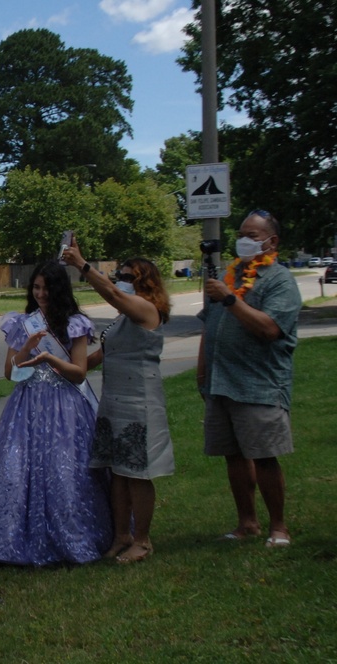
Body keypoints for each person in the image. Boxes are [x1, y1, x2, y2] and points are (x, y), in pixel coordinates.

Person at [0, 261, 111, 565]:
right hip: (26, 407)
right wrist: (26, 350)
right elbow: (11, 373)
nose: (40, 294)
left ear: (58, 289)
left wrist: (50, 358)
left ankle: (72, 535)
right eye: (36, 288)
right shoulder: (22, 323)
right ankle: (8, 540)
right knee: (16, 466)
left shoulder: (75, 323)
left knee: (65, 471)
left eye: (46, 288)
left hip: (65, 407)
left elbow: (78, 373)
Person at [63, 242, 174, 563]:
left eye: (127, 275)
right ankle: (122, 534)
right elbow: (100, 356)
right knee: (118, 472)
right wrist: (68, 368)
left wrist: (81, 264)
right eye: (119, 274)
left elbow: (112, 294)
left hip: (139, 402)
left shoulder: (146, 311)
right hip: (114, 403)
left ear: (145, 283)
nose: (120, 278)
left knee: (137, 472)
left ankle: (143, 540)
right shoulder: (123, 320)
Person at [198, 210, 300, 547]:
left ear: (272, 241)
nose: (244, 240)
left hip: (258, 383)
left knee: (264, 455)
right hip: (221, 381)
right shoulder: (229, 275)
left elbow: (270, 328)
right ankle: (247, 522)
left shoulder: (278, 280)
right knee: (233, 455)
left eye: (253, 235)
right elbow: (209, 327)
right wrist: (202, 372)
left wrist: (229, 300)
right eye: (242, 233)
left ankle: (279, 527)